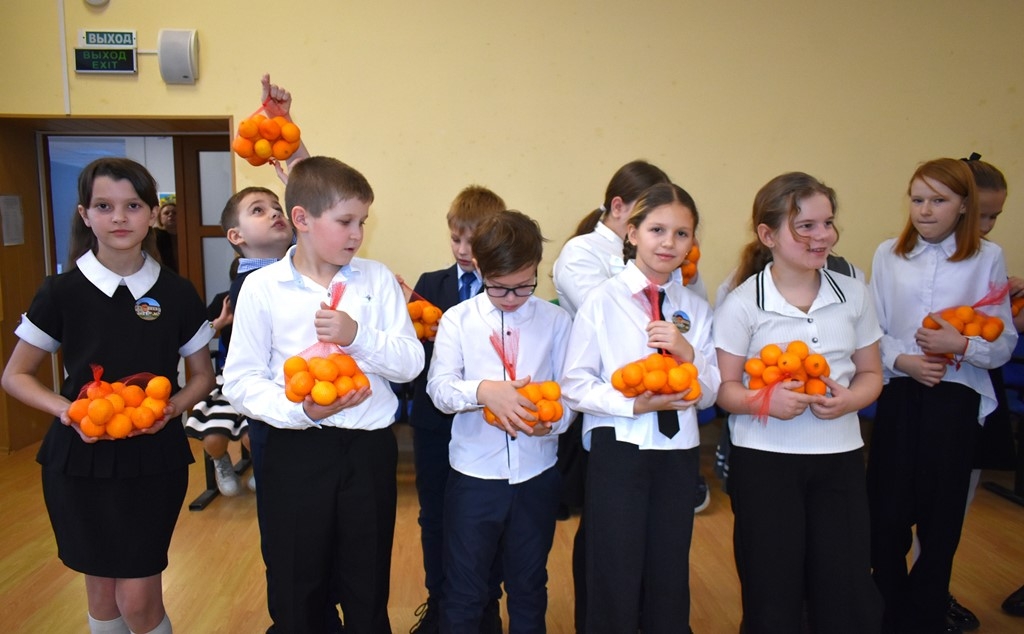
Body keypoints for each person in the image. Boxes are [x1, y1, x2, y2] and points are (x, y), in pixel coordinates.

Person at [0, 157, 216, 634]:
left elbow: (203, 375)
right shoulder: (60, 291)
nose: (119, 217)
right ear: (85, 214)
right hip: (78, 460)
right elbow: (15, 375)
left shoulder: (177, 293)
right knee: (100, 593)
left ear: (153, 214)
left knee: (138, 599)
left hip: (153, 458)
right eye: (104, 206)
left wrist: (172, 409)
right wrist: (68, 411)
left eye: (133, 206)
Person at [222, 156, 424, 632]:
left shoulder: (376, 279)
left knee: (366, 581)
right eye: (345, 221)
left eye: (363, 222)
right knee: (297, 582)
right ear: (302, 219)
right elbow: (241, 381)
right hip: (293, 449)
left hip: (368, 450)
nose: (357, 234)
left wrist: (358, 337)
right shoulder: (262, 288)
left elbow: (410, 362)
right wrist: (301, 410)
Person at [713, 172, 883, 633]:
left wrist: (850, 400)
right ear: (767, 235)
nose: (822, 236)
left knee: (844, 585)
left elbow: (871, 374)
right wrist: (763, 402)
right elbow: (724, 390)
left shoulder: (854, 292)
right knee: (772, 590)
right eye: (805, 226)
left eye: (827, 223)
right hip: (765, 462)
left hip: (840, 459)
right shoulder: (742, 303)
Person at [552, 160, 708, 632]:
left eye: (682, 234)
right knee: (613, 569)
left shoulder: (695, 307)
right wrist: (632, 404)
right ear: (633, 233)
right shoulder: (604, 299)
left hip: (679, 450)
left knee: (669, 569)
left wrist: (688, 355)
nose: (669, 243)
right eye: (657, 230)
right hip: (619, 445)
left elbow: (713, 391)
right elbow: (575, 384)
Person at [867, 158, 1018, 634]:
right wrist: (904, 360)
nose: (926, 210)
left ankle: (926, 613)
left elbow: (1002, 342)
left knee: (942, 517)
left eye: (939, 200)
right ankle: (888, 610)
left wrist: (962, 345)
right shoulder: (888, 254)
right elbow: (872, 329)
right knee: (887, 511)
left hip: (955, 400)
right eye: (918, 199)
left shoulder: (987, 257)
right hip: (901, 392)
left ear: (964, 206)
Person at [426, 210, 573, 633]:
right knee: (465, 589)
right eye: (498, 287)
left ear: (537, 269)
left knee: (529, 585)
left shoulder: (556, 321)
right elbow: (439, 389)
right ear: (478, 268)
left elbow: (570, 394)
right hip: (474, 476)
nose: (511, 298)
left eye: (524, 286)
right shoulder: (458, 320)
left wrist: (552, 424)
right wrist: (482, 391)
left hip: (536, 474)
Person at [407, 185, 506, 634]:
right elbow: (415, 363)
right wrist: (420, 332)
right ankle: (439, 603)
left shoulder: (506, 290)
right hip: (436, 423)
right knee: (435, 515)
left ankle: (485, 605)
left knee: (486, 520)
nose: (463, 250)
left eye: (473, 241)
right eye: (455, 239)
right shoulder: (431, 284)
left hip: (487, 424)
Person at [185, 186, 293, 496]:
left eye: (278, 208)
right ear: (236, 236)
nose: (275, 213)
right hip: (266, 392)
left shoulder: (290, 270)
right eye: (259, 210)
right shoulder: (252, 284)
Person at [152, 202, 178, 272]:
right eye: (166, 213)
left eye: (174, 213)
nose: (171, 215)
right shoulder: (154, 235)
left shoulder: (186, 236)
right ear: (160, 217)